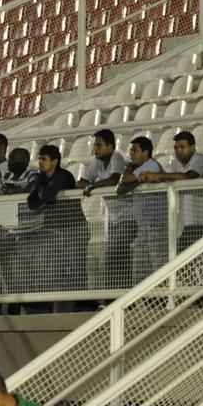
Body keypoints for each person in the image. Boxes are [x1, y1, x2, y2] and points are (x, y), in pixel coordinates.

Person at [25, 144, 87, 309]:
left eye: (44, 159)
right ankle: (60, 305)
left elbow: (47, 196)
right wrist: (42, 199)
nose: (40, 162)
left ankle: (80, 306)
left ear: (55, 161)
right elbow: (31, 201)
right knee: (57, 269)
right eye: (39, 159)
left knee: (76, 269)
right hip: (55, 230)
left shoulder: (64, 175)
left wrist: (42, 199)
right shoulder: (41, 178)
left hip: (74, 228)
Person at [141, 131, 203, 253]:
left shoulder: (201, 158)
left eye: (182, 147)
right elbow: (168, 178)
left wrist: (158, 175)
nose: (178, 151)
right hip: (188, 224)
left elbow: (189, 176)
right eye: (176, 148)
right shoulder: (175, 163)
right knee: (182, 265)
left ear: (192, 147)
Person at [78, 130, 131, 288]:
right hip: (113, 219)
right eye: (95, 145)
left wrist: (92, 185)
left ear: (110, 146)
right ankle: (115, 294)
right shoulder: (97, 161)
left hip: (130, 216)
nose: (95, 148)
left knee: (116, 252)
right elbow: (82, 182)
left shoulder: (117, 157)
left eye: (99, 145)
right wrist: (89, 185)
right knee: (115, 256)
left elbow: (115, 179)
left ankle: (118, 294)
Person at [117, 136, 168, 280]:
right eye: (130, 150)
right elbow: (121, 188)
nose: (131, 154)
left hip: (156, 225)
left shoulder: (151, 165)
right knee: (142, 271)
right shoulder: (139, 168)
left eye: (135, 150)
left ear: (145, 153)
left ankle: (165, 300)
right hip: (144, 226)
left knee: (159, 268)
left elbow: (124, 182)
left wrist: (129, 172)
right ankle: (144, 301)